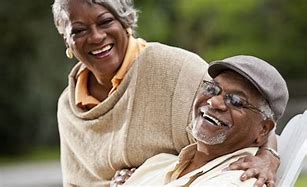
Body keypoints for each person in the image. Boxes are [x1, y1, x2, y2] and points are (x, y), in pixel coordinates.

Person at [51, 0, 280, 186]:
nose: (96, 37)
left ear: (125, 22)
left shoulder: (172, 67)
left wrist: (268, 156)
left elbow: (247, 111)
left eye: (105, 22)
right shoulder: (68, 107)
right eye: (79, 30)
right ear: (67, 41)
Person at [122, 55, 288, 186]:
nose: (214, 101)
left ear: (263, 129)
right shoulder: (158, 163)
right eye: (212, 89)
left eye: (236, 101)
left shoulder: (237, 181)